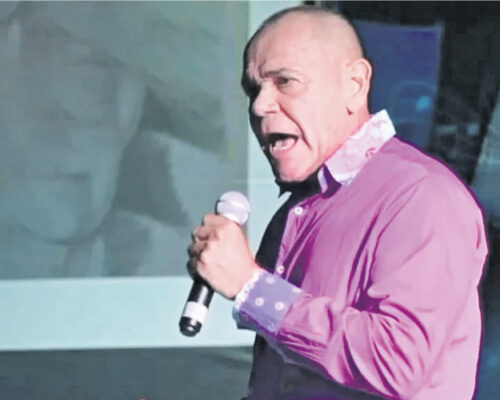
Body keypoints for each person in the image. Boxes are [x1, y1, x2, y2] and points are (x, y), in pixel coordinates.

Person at [187, 6, 488, 400]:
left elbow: (397, 361)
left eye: (285, 81)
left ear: (354, 85)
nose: (260, 106)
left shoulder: (422, 195)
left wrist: (250, 285)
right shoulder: (296, 212)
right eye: (253, 90)